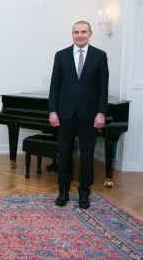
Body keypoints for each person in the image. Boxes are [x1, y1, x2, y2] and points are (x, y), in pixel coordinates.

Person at [49, 21, 109, 209]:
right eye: (76, 32)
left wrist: (101, 113)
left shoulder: (100, 56)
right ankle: (63, 191)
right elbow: (55, 86)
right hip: (65, 113)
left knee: (87, 154)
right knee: (65, 153)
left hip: (90, 114)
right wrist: (52, 111)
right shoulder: (61, 55)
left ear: (90, 33)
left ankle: (84, 193)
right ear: (72, 34)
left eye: (83, 32)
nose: (80, 35)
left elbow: (103, 88)